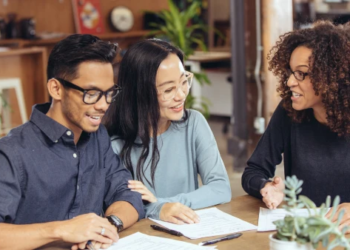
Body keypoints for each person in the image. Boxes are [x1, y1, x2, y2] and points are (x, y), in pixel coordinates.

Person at [0, 34, 144, 250]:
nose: (104, 105)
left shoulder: (98, 137)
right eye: (92, 93)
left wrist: (107, 226)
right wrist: (61, 230)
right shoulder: (11, 152)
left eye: (109, 93)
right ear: (56, 89)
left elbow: (128, 193)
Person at [104, 39, 231, 225]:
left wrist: (161, 204)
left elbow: (220, 188)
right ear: (140, 93)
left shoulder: (193, 124)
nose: (181, 95)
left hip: (189, 234)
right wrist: (157, 209)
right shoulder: (114, 144)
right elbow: (114, 210)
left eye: (183, 82)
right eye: (169, 89)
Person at [241, 20, 350, 230]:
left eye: (301, 73)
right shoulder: (289, 112)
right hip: (304, 233)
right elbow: (253, 171)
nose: (290, 81)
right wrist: (265, 187)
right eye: (290, 72)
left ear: (332, 77)